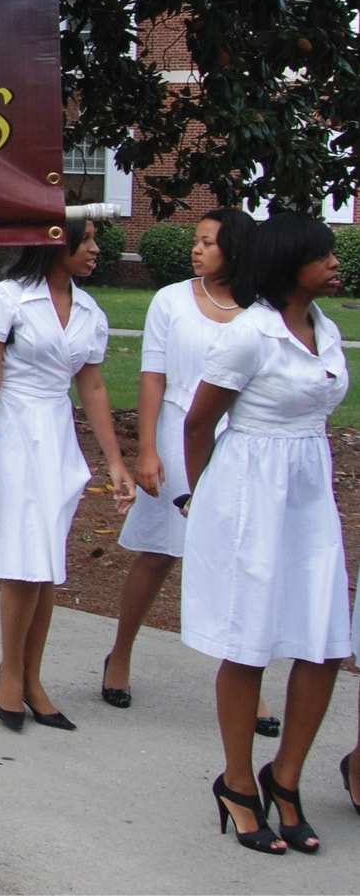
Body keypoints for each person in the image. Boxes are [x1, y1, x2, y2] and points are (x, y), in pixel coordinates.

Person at [180, 211, 349, 855]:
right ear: (287, 263)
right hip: (249, 493)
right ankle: (238, 780)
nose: (335, 263)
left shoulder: (325, 328)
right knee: (248, 642)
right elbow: (199, 424)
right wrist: (204, 497)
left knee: (324, 641)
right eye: (322, 254)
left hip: (308, 495)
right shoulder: (249, 334)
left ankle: (288, 776)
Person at [0, 219, 133, 732]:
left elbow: (92, 386)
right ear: (57, 242)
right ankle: (12, 673)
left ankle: (31, 676)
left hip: (56, 436)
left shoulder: (90, 311)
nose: (96, 248)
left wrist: (115, 461)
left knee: (46, 559)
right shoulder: (7, 298)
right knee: (23, 557)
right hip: (12, 431)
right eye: (88, 239)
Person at [106, 211, 272, 723]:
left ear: (235, 249)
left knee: (241, 562)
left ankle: (247, 681)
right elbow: (153, 377)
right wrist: (147, 450)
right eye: (196, 241)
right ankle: (120, 655)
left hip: (240, 439)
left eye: (207, 242)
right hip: (178, 434)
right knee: (159, 553)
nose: (196, 250)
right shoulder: (171, 300)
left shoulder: (263, 309)